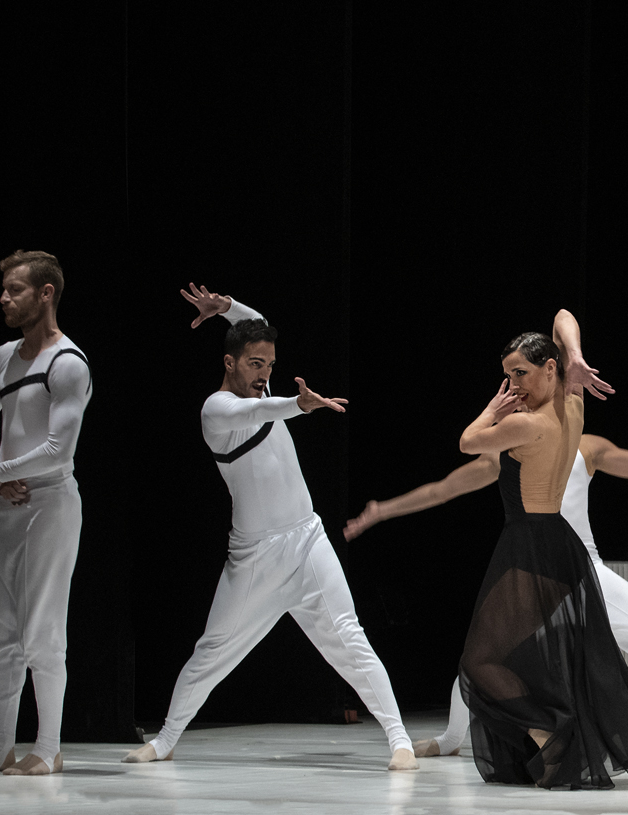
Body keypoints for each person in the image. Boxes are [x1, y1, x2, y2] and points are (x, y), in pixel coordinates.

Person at [122, 284, 416, 770]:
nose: (264, 374)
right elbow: (259, 410)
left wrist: (226, 308)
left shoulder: (263, 389)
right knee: (213, 650)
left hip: (308, 541)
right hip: (255, 557)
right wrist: (299, 405)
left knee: (350, 637)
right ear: (229, 362)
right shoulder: (217, 409)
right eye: (255, 364)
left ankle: (399, 740)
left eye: (270, 365)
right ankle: (166, 740)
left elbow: (255, 323)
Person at [344, 436, 628, 757]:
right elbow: (444, 489)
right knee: (484, 660)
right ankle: (452, 738)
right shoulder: (506, 452)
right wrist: (383, 509)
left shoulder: (585, 448)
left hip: (585, 567)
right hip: (531, 573)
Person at [453, 312, 628, 789]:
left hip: (529, 545)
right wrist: (576, 358)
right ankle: (554, 737)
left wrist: (493, 408)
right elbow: (563, 316)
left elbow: (468, 442)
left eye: (521, 373)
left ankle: (553, 735)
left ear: (549, 369)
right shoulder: (574, 405)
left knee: (480, 662)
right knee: (539, 656)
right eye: (507, 375)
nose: (513, 384)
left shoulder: (527, 424)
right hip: (560, 541)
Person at [0, 250, 93, 776]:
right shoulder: (3, 357)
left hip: (50, 504)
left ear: (46, 293)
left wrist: (3, 470)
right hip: (7, 503)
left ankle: (49, 747)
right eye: (4, 289)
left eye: (14, 290)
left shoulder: (68, 362)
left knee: (42, 630)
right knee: (1, 630)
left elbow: (60, 449)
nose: (3, 298)